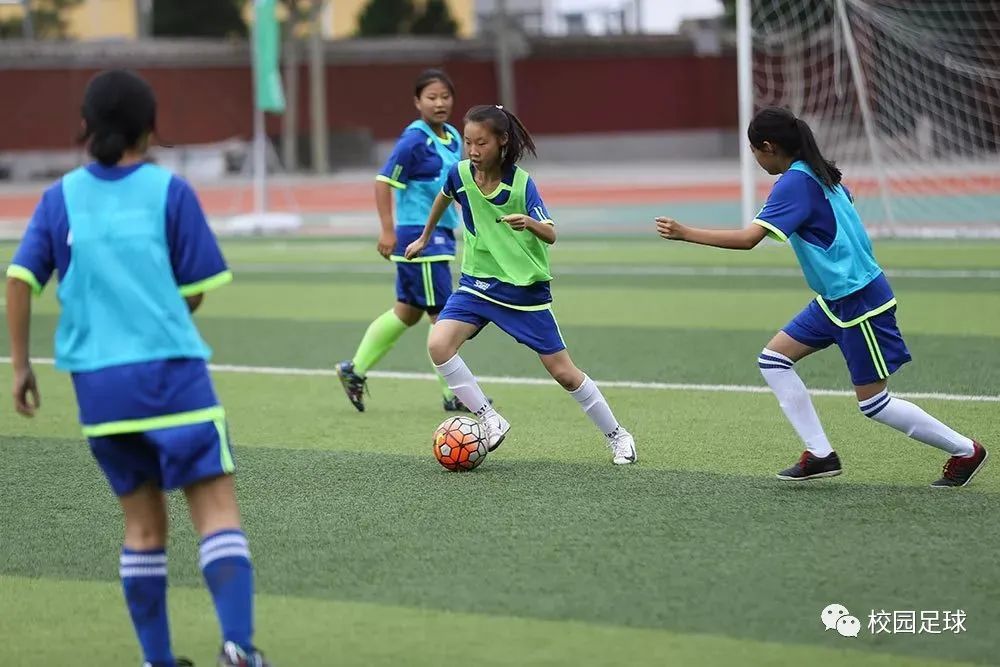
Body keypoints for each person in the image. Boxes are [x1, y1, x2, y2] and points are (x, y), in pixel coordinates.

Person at [5, 69, 271, 667]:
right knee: (216, 510)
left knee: (143, 528)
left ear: (85, 128)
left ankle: (157, 659)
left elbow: (19, 280)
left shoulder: (60, 197)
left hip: (99, 389)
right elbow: (197, 289)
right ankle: (239, 647)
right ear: (151, 131)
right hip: (172, 376)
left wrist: (21, 365)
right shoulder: (168, 192)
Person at [655, 106, 987, 487]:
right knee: (774, 359)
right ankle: (820, 454)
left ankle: (965, 450)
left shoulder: (794, 183)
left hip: (860, 302)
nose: (755, 158)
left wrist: (685, 232)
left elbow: (749, 240)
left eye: (754, 150)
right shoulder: (816, 170)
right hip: (835, 301)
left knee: (874, 404)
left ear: (768, 146)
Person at [405, 104, 637, 465]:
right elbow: (443, 197)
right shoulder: (461, 174)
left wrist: (529, 222)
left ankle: (618, 435)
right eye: (468, 142)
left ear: (502, 142)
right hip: (477, 283)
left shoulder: (522, 184)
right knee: (438, 344)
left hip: (523, 291)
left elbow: (552, 234)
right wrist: (424, 237)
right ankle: (489, 417)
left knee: (564, 373)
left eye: (481, 143)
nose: (473, 150)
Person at [336, 69, 483, 413]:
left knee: (407, 312)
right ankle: (454, 393)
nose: (439, 103)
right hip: (419, 240)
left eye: (445, 96)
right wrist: (387, 230)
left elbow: (453, 187)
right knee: (444, 317)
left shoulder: (450, 136)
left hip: (439, 235)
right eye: (431, 97)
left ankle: (354, 370)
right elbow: (383, 181)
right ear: (417, 102)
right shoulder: (414, 140)